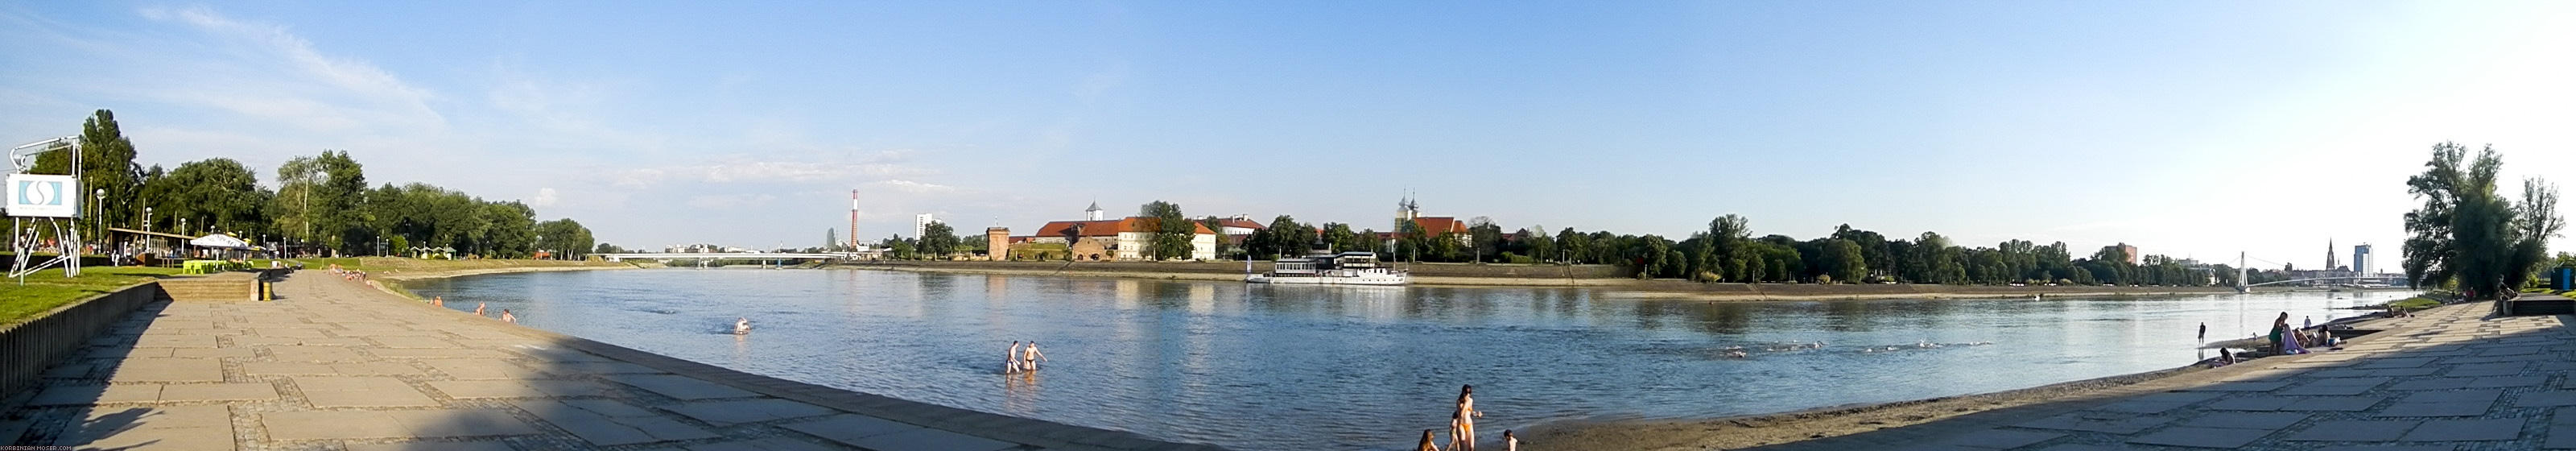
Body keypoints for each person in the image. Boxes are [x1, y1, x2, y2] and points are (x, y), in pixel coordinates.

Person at [1451, 385, 1482, 451]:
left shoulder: (1471, 400)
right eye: (1466, 393)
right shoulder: (1459, 402)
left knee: (1471, 448)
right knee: (1464, 448)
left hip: (1469, 424)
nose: (1468, 395)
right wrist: (1466, 403)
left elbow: (1470, 411)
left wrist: (1477, 414)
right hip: (1461, 425)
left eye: (1469, 393)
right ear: (1463, 392)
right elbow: (1461, 414)